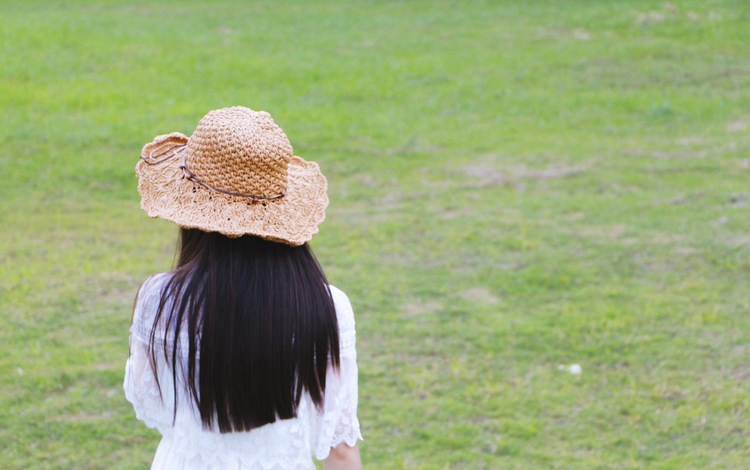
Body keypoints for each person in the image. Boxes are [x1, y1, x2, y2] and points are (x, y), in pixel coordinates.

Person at [124, 106, 363, 470]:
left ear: (191, 215)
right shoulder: (328, 306)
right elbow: (340, 448)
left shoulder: (159, 300)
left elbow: (154, 405)